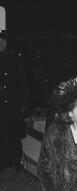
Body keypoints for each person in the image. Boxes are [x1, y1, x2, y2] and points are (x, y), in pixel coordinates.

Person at [0, 30, 28, 171]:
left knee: (14, 134)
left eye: (4, 41)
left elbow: (22, 83)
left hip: (12, 104)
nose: (1, 44)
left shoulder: (15, 60)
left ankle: (16, 161)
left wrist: (24, 104)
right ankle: (3, 161)